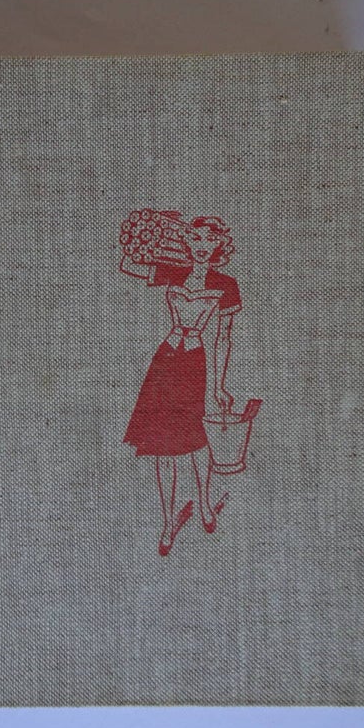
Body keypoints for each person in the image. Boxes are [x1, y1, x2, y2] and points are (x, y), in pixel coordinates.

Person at [120, 214, 242, 555]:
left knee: (196, 437)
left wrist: (219, 386)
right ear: (185, 241)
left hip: (194, 364)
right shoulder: (173, 271)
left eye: (210, 240)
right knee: (162, 442)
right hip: (165, 362)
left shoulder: (226, 283)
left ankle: (204, 503)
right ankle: (167, 520)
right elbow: (127, 264)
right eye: (195, 238)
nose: (202, 246)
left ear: (220, 244)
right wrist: (151, 230)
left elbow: (223, 339)